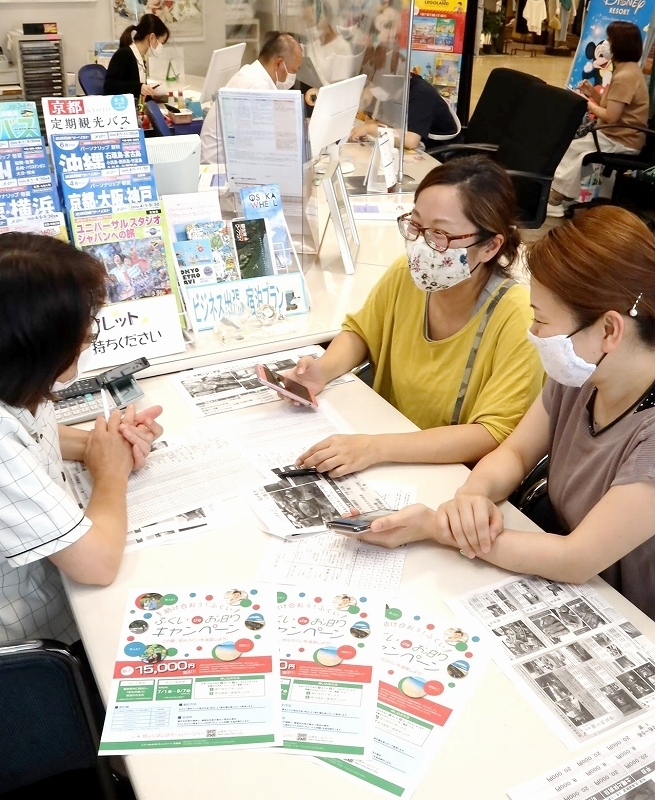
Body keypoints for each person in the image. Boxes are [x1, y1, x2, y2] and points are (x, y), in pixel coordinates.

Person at [354, 206, 655, 622]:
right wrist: (473, 497)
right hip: (564, 578)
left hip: (631, 617)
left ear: (609, 330)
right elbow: (514, 454)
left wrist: (439, 527)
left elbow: (577, 559)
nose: (533, 333)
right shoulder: (582, 374)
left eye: (542, 320)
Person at [289, 156, 543, 477]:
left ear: (490, 246)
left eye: (440, 234)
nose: (422, 245)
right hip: (384, 446)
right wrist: (322, 370)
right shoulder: (407, 274)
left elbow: (491, 433)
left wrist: (375, 448)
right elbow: (363, 332)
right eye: (416, 225)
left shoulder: (517, 317)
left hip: (450, 475)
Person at [0, 233, 164, 642]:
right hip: (37, 642)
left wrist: (103, 443)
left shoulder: (16, 378)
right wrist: (111, 472)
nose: (89, 336)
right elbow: (97, 564)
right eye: (84, 330)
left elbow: (35, 436)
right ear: (39, 345)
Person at [547, 21, 648, 217]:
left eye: (610, 40)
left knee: (572, 149)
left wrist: (586, 103)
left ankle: (556, 198)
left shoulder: (625, 75)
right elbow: (612, 106)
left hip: (621, 138)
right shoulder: (628, 70)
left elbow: (611, 116)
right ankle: (563, 195)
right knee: (576, 149)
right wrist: (592, 93)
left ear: (620, 44)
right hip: (617, 134)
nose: (605, 44)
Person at [200, 31, 304, 165]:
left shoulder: (250, 73)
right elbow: (268, 144)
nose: (292, 77)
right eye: (293, 71)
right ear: (279, 63)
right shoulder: (257, 87)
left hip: (227, 160)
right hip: (219, 168)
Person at [349, 72, 459, 149]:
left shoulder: (421, 94)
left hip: (437, 153)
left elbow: (411, 140)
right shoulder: (396, 89)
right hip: (414, 146)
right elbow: (383, 123)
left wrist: (370, 129)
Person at [104, 13, 170, 100]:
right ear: (152, 37)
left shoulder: (139, 57)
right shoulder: (124, 54)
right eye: (161, 42)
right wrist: (139, 88)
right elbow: (109, 86)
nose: (161, 46)